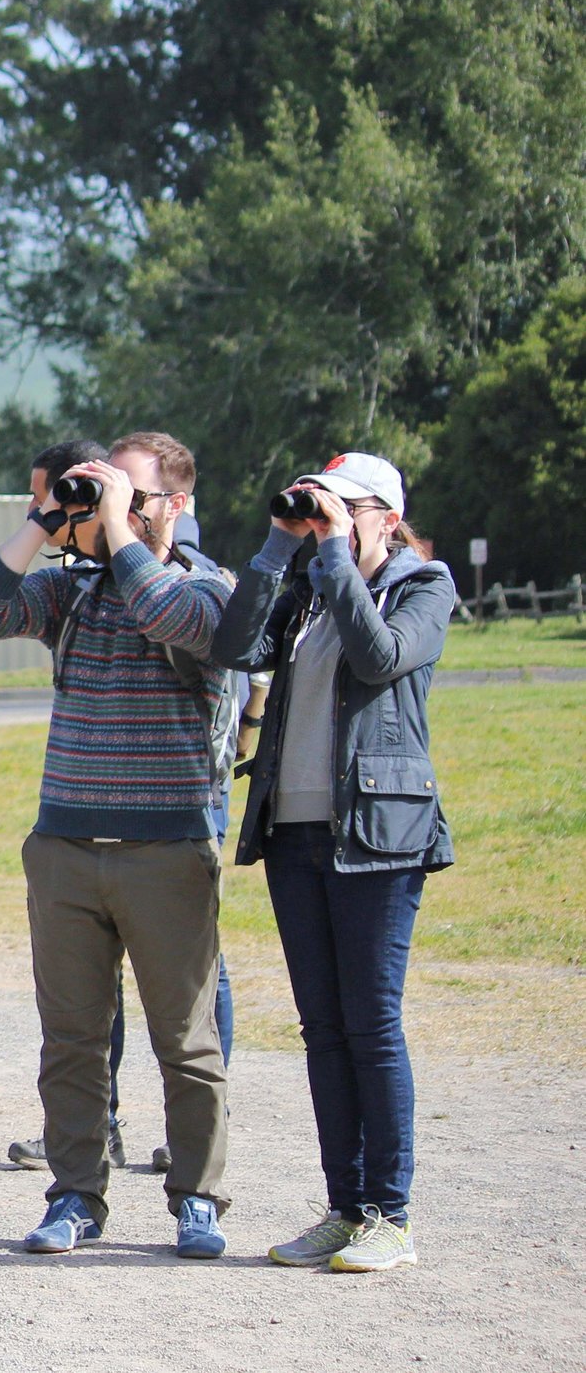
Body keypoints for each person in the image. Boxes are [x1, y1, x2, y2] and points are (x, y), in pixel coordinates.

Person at [0, 431, 234, 1260]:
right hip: (67, 846)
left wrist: (118, 529)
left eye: (133, 494)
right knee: (71, 1039)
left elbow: (164, 615)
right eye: (106, 492)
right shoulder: (71, 593)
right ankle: (76, 1195)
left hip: (167, 848)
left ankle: (197, 1199)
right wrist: (47, 520)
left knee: (184, 1040)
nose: (110, 508)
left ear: (175, 506)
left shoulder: (210, 588)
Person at [213, 452, 454, 1274]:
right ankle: (345, 1208)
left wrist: (338, 556)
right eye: (324, 508)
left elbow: (380, 657)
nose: (330, 522)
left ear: (387, 515)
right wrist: (281, 547)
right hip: (296, 833)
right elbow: (235, 645)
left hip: (380, 837)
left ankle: (392, 1213)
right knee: (322, 1030)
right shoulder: (310, 582)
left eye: (347, 510)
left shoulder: (425, 586)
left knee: (371, 1026)